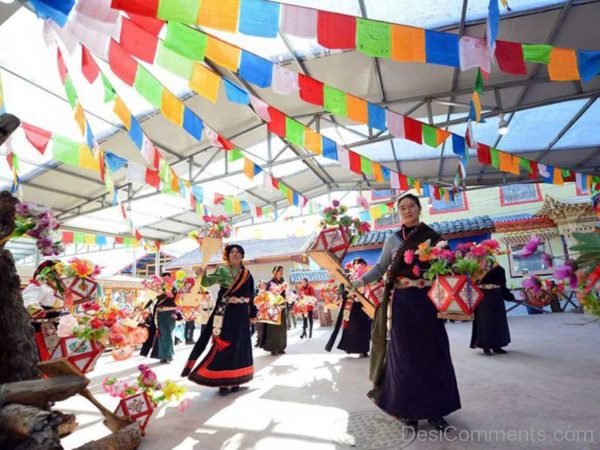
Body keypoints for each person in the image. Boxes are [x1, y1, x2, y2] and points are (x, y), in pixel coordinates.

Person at [352, 193, 461, 431]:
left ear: (420, 208)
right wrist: (358, 282)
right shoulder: (392, 240)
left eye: (411, 206)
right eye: (402, 208)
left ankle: (436, 412)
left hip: (428, 303)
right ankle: (407, 410)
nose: (407, 210)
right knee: (405, 356)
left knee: (434, 354)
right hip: (402, 303)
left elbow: (449, 269)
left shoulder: (433, 238)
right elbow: (381, 268)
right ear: (398, 212)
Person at [182, 244, 256, 396]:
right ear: (228, 256)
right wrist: (202, 274)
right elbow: (207, 283)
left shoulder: (247, 274)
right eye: (232, 252)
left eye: (238, 252)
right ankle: (222, 382)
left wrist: (253, 315)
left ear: (242, 256)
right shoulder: (222, 270)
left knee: (240, 346)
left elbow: (252, 296)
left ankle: (236, 381)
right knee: (224, 344)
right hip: (225, 311)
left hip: (242, 315)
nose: (235, 254)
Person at [326, 259, 372, 356]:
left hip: (363, 306)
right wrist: (347, 294)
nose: (358, 265)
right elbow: (343, 292)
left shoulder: (369, 276)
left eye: (360, 263)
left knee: (364, 329)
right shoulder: (349, 277)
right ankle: (348, 347)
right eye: (356, 263)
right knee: (350, 328)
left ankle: (363, 350)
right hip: (351, 306)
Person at [471, 264, 513, 355]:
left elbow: (502, 284)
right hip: (483, 296)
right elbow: (472, 283)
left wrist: (508, 296)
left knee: (498, 321)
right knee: (485, 321)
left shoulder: (498, 268)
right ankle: (486, 346)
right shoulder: (475, 268)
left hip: (496, 295)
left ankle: (498, 346)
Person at [140, 273, 178, 364]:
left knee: (169, 334)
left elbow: (171, 296)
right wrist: (148, 287)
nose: (165, 279)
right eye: (163, 278)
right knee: (162, 334)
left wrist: (164, 289)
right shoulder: (159, 288)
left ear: (171, 279)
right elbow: (151, 298)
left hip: (171, 314)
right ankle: (164, 356)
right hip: (160, 313)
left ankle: (169, 354)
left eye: (167, 278)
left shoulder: (174, 288)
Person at [259, 266, 288, 355]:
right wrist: (275, 293)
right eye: (280, 271)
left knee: (282, 328)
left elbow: (286, 293)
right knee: (273, 328)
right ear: (275, 272)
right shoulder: (271, 282)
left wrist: (288, 297)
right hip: (273, 307)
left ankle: (280, 347)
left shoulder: (283, 281)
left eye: (282, 271)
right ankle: (273, 348)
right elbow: (267, 295)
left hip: (281, 306)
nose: (282, 273)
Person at [253, 281, 267, 347]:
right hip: (258, 312)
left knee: (262, 327)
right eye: (261, 285)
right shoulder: (256, 292)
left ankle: (262, 341)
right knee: (258, 327)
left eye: (263, 285)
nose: (262, 286)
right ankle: (258, 340)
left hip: (264, 312)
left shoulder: (267, 293)